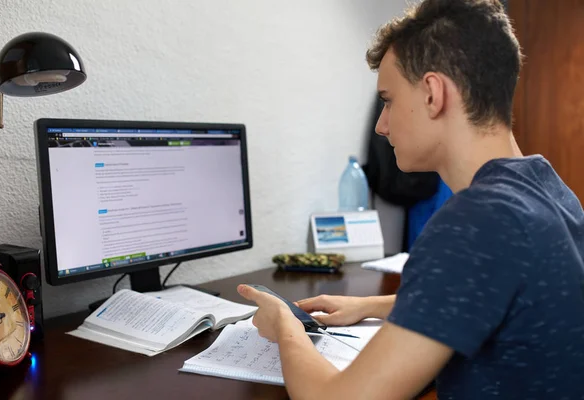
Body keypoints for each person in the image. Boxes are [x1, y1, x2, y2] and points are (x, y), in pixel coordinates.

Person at [238, 0, 584, 398]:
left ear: (434, 94)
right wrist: (370, 306)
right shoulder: (547, 188)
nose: (382, 126)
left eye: (389, 100)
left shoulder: (477, 220)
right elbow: (497, 295)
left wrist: (286, 325)